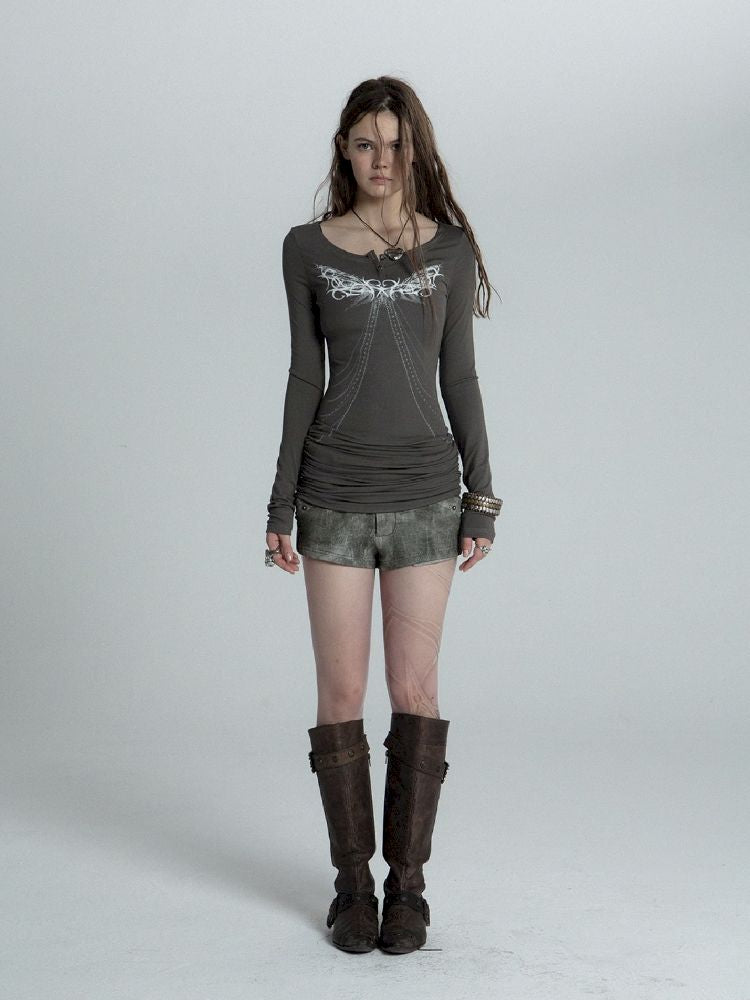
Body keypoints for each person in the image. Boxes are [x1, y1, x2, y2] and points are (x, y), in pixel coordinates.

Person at [264, 76, 502, 955]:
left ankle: (408, 889)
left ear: (416, 150)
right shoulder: (305, 248)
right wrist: (280, 500)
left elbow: (460, 377)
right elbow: (304, 376)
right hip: (331, 495)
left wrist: (481, 498)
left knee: (415, 691)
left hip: (426, 498)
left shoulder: (450, 250)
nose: (381, 160)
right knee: (339, 693)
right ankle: (351, 887)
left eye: (396, 144)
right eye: (366, 143)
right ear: (345, 148)